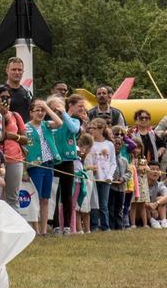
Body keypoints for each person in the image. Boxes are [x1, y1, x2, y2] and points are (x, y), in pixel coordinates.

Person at [24, 98, 59, 236]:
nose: (40, 113)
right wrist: (25, 169)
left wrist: (47, 107)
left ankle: (44, 230)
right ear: (31, 113)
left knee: (45, 198)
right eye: (37, 110)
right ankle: (35, 228)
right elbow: (23, 149)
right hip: (35, 165)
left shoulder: (47, 125)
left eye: (42, 110)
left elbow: (59, 123)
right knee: (35, 198)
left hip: (48, 163)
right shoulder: (25, 127)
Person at [46, 94, 81, 235]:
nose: (57, 111)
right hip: (53, 161)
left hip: (68, 161)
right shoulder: (48, 124)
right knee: (54, 194)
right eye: (53, 109)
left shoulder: (73, 120)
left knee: (67, 194)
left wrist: (64, 114)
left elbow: (74, 130)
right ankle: (55, 225)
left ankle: (67, 225)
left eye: (59, 108)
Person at [0, 88, 29, 210]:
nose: (6, 100)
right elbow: (1, 136)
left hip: (15, 157)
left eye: (8, 97)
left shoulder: (15, 115)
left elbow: (26, 139)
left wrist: (15, 136)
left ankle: (16, 226)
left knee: (13, 197)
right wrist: (3, 116)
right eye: (2, 97)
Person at [87, 118, 116, 231]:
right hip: (92, 178)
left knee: (103, 204)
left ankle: (105, 226)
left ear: (101, 129)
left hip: (105, 179)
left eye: (93, 128)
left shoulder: (109, 144)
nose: (91, 131)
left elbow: (113, 162)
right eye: (90, 128)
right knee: (94, 203)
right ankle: (94, 225)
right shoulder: (90, 143)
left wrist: (109, 176)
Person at [0, 56, 33, 121]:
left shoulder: (27, 93)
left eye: (19, 70)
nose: (17, 72)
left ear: (23, 71)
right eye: (14, 69)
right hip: (5, 129)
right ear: (7, 71)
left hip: (25, 130)